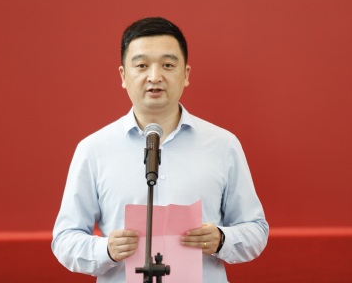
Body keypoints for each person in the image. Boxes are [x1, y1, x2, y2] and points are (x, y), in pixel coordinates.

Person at [51, 17, 268, 282]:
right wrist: (105, 249)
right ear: (123, 76)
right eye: (142, 65)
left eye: (168, 65)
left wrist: (222, 239)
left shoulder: (223, 145)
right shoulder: (93, 149)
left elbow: (256, 230)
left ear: (186, 74)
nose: (155, 77)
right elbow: (64, 239)